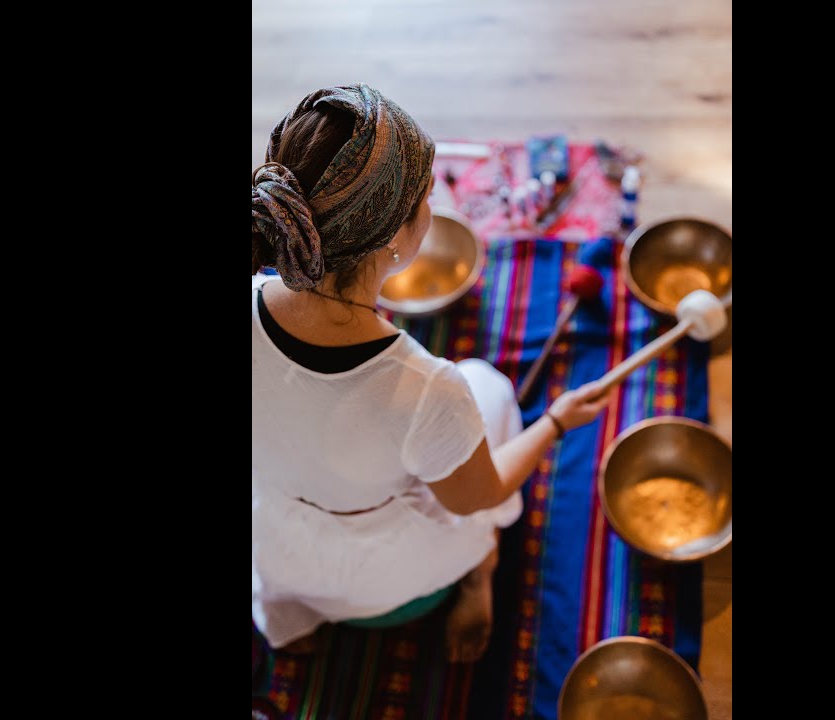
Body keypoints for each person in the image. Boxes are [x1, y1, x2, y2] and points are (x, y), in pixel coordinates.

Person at [252, 84, 609, 663]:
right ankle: (477, 577)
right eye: (428, 195)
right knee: (486, 385)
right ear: (396, 238)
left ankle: (299, 622)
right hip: (380, 568)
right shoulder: (426, 390)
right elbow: (479, 496)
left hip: (278, 540)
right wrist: (556, 423)